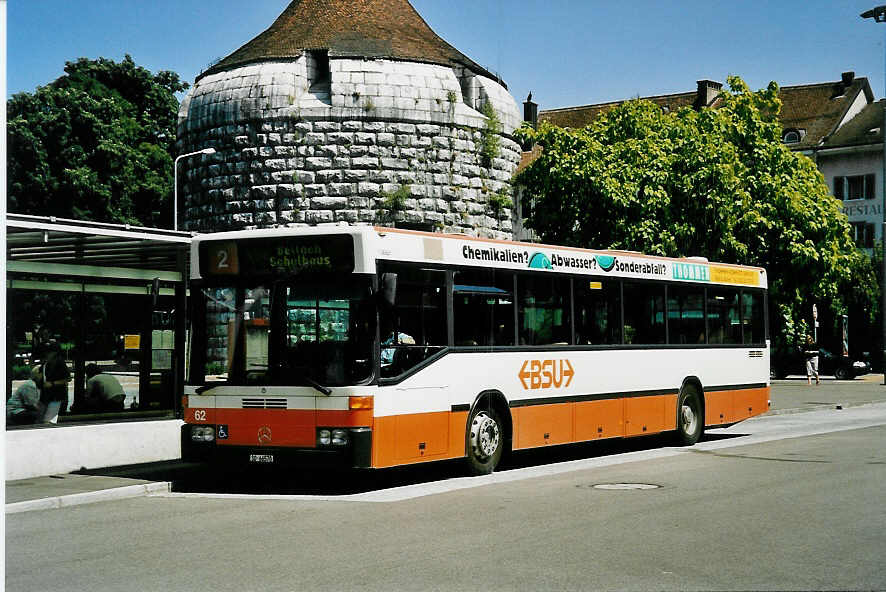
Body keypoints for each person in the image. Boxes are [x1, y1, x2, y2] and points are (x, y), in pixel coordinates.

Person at [41, 343, 71, 417]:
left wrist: (52, 384)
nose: (46, 354)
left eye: (48, 352)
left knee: (55, 417)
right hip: (51, 396)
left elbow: (68, 378)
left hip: (59, 396)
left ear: (54, 353)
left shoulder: (60, 362)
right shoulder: (48, 364)